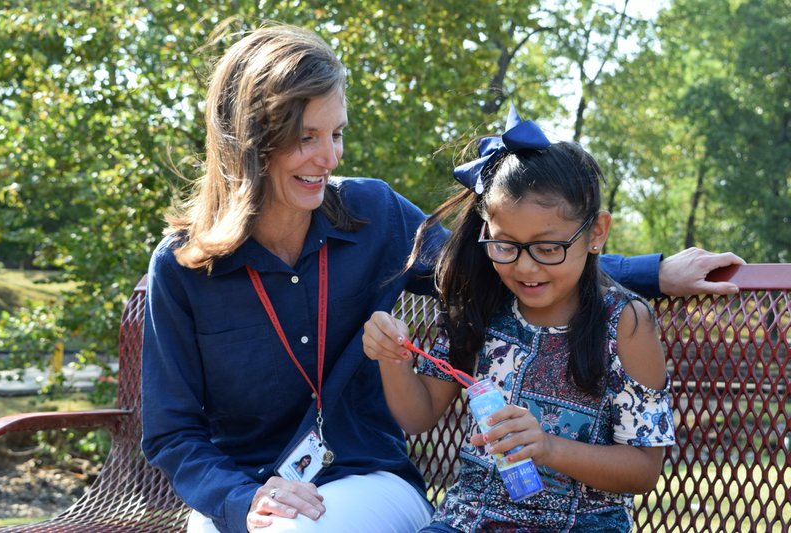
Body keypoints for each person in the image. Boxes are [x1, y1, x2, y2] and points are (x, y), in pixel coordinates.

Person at [140, 22, 741, 533]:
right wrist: (244, 501)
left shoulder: (371, 214)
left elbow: (504, 264)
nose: (331, 158)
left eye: (337, 133)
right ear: (250, 143)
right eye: (307, 139)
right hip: (246, 493)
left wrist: (655, 271)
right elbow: (172, 434)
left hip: (362, 475)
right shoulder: (182, 266)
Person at [362, 107, 677, 531]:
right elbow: (417, 417)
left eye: (548, 248)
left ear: (596, 232)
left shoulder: (625, 324)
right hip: (469, 519)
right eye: (505, 245)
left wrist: (548, 447)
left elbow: (644, 469)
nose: (526, 268)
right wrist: (392, 358)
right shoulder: (476, 305)